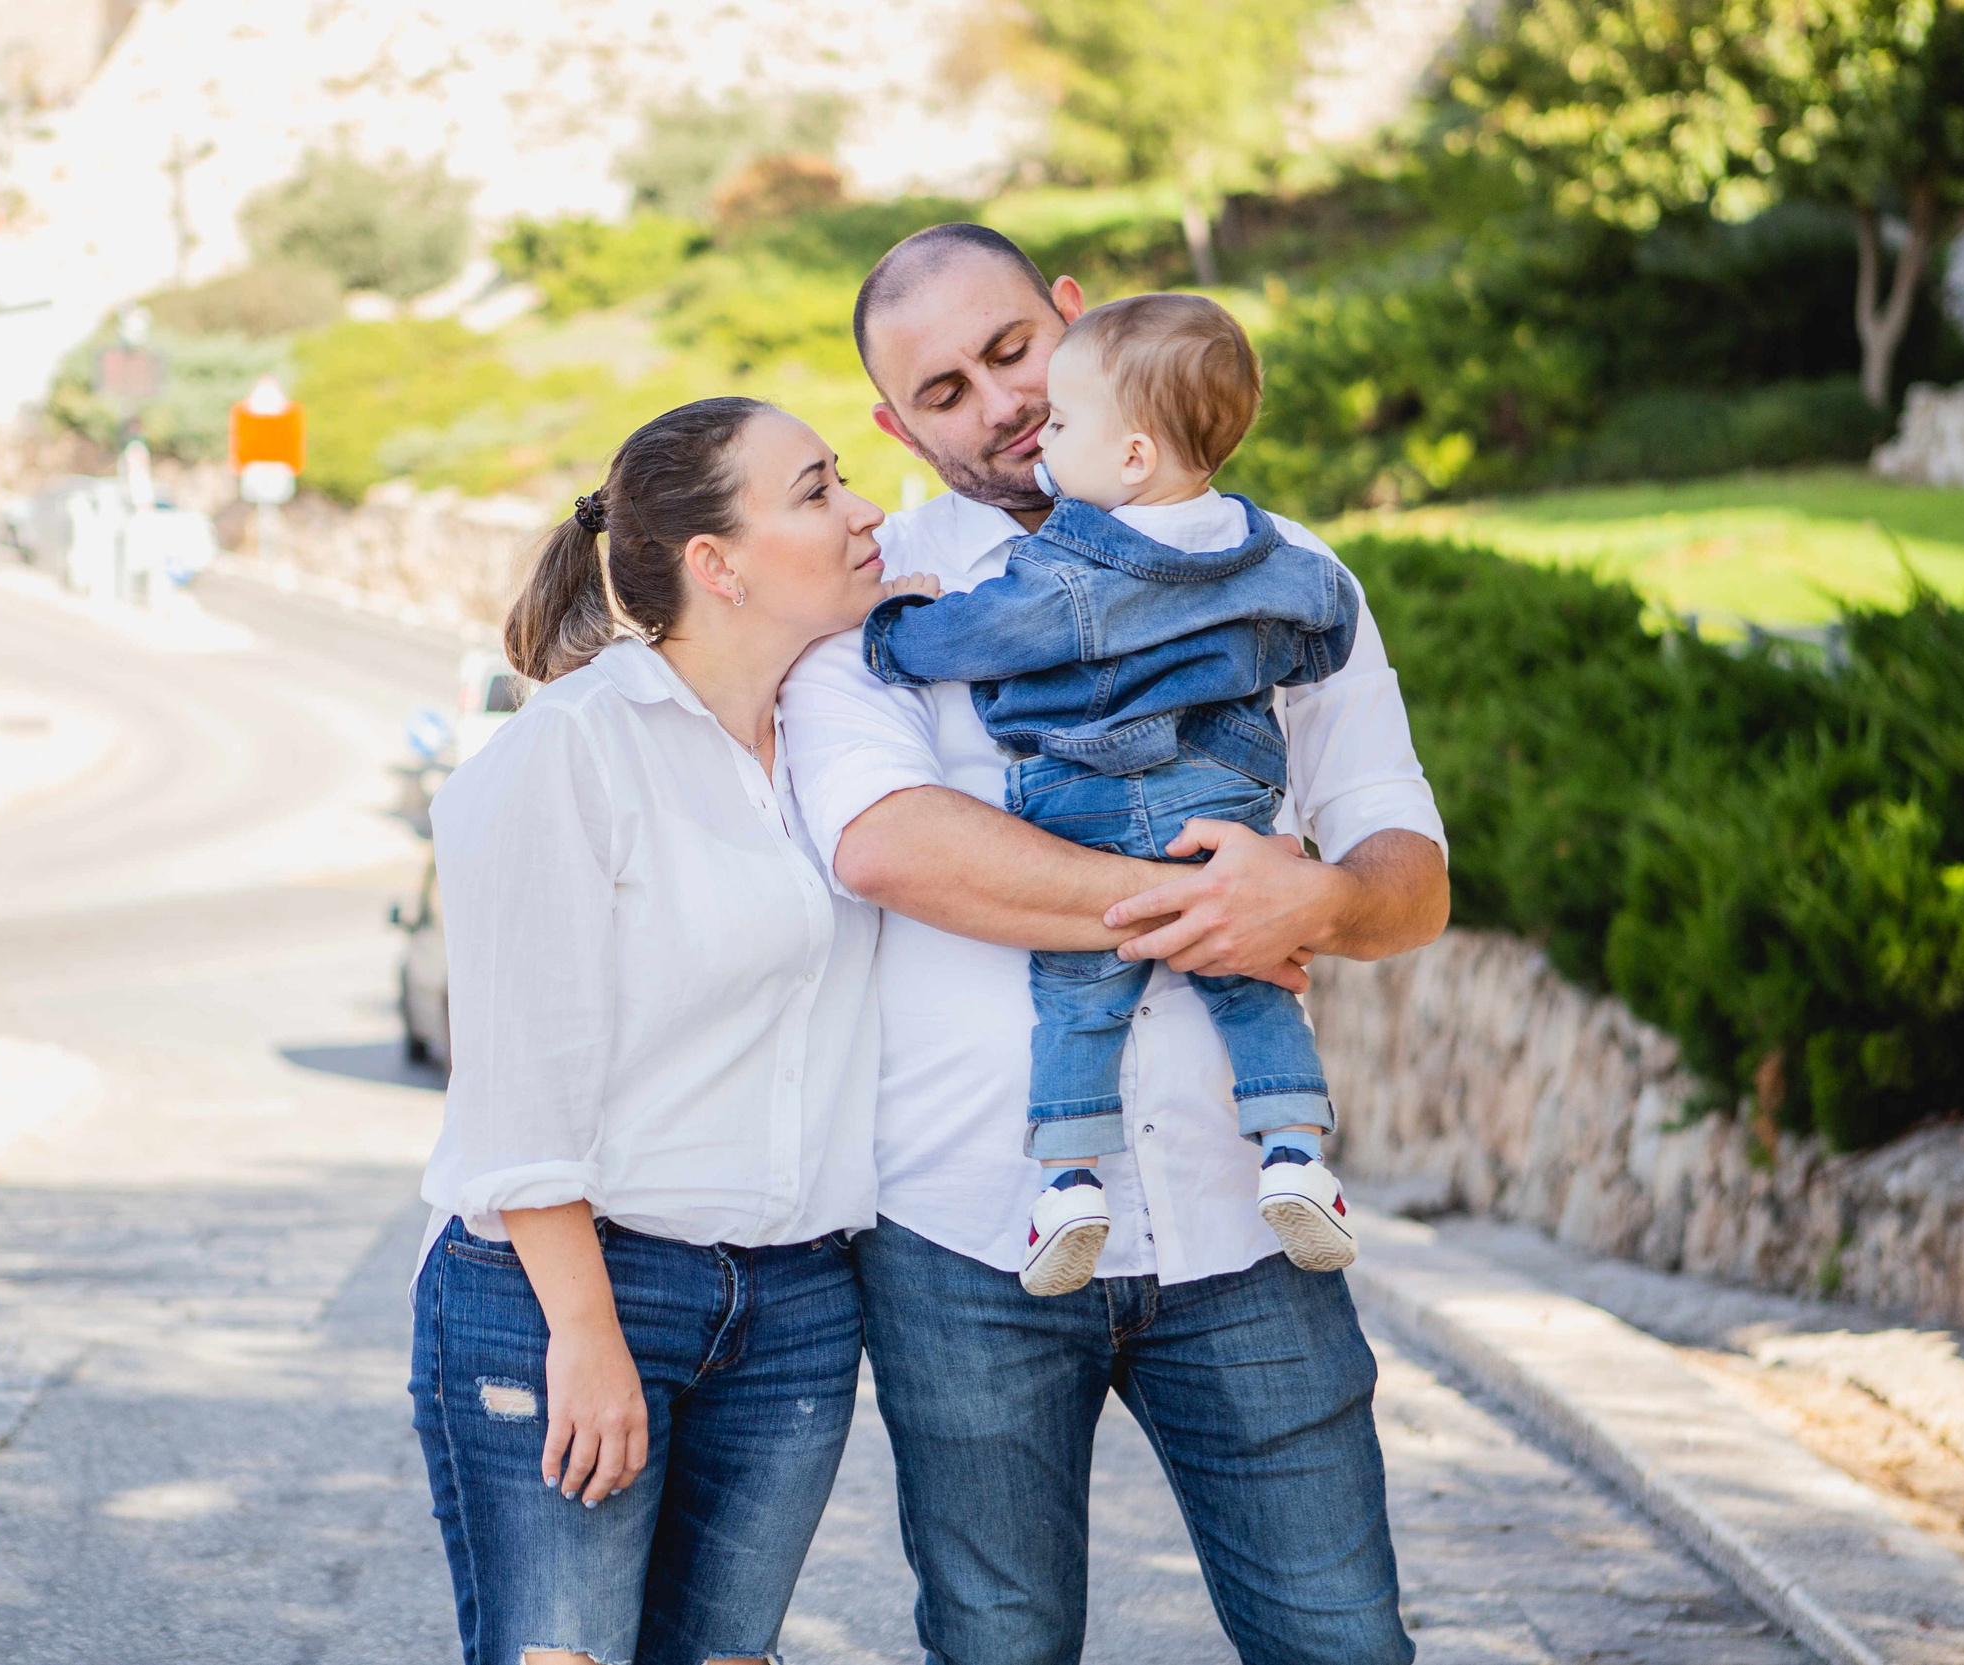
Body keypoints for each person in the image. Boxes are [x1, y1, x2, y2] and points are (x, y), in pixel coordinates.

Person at [782, 225, 1448, 1664]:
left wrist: (1319, 901)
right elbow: (892, 844)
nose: (1000, 403)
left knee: (1345, 1641)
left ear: (1072, 316)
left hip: (1248, 1222)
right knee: (999, 1645)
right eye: (944, 391)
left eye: (1012, 351)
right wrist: (1219, 910)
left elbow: (1405, 866)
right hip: (967, 1236)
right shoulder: (875, 599)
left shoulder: (1284, 571)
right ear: (898, 427)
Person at [409, 396, 890, 1665]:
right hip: (574, 1286)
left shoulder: (846, 740)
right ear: (714, 565)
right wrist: (587, 1335)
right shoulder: (569, 753)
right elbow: (518, 1091)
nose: (864, 510)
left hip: (795, 1303)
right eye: (817, 491)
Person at [859, 291, 1361, 1296]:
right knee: (1252, 980)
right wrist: (1245, 900)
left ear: (1129, 457)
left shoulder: (1073, 573)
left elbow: (970, 638)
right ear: (899, 424)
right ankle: (1297, 1153)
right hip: (1224, 812)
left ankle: (1067, 1181)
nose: (1028, 419)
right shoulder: (1276, 553)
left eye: (1054, 408)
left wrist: (891, 628)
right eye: (951, 390)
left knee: (1075, 996)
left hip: (1089, 798)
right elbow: (1325, 632)